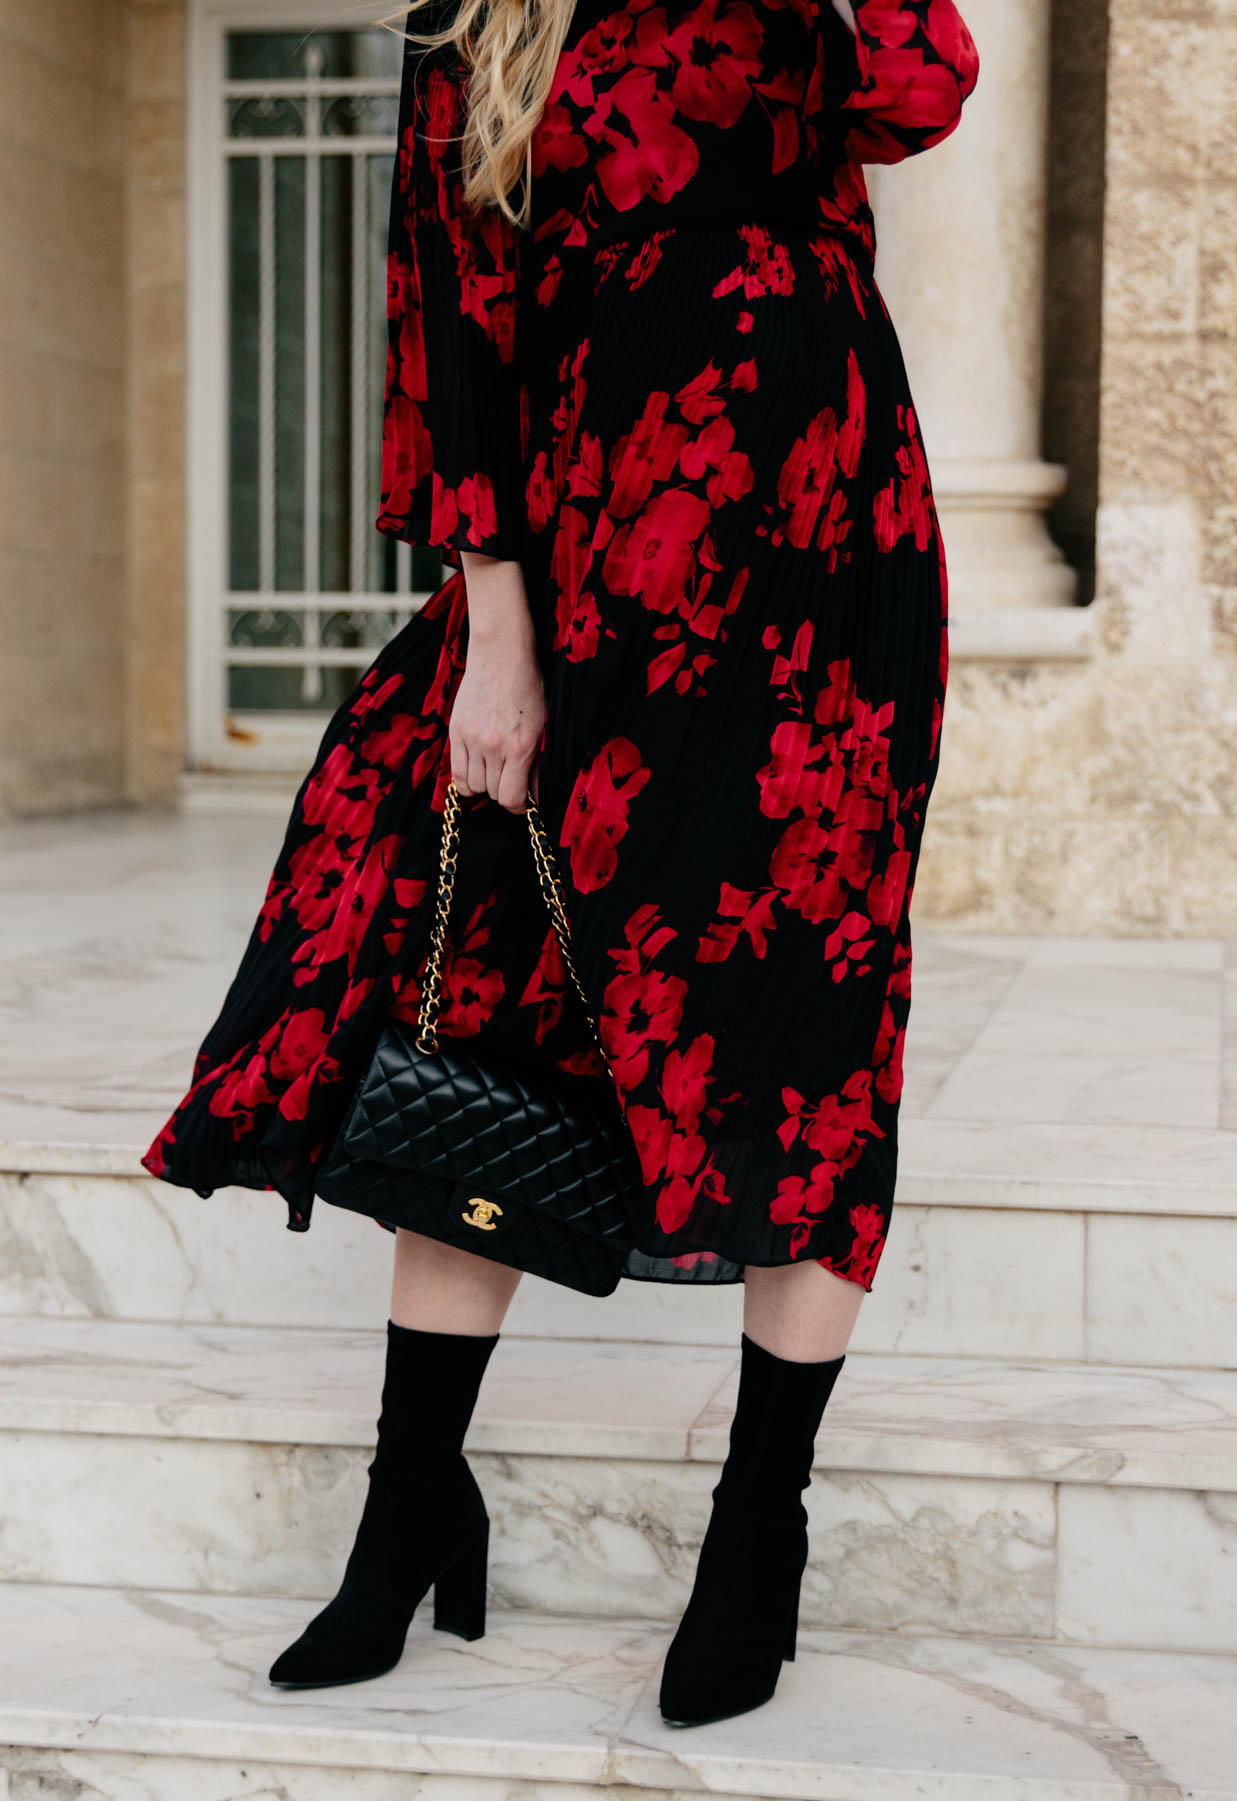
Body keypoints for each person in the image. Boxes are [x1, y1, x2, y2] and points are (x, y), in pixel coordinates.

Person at [142, 0, 978, 1729]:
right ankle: (409, 1504)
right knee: (490, 987)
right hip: (593, 543)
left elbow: (925, 81)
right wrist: (497, 631)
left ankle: (762, 1527)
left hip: (822, 547)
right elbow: (449, 334)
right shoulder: (477, 20)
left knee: (807, 1016)